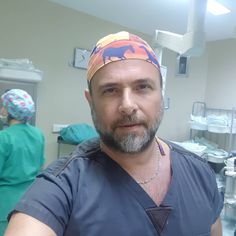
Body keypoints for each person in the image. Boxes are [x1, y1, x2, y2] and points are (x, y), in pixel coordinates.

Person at [4, 32, 223, 236]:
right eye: (110, 90)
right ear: (91, 101)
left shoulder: (201, 174)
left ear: (161, 94)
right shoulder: (63, 187)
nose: (128, 106)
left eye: (143, 87)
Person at [0, 89, 45, 235]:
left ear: (8, 110)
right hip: (31, 199)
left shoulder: (4, 137)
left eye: (3, 106)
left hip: (5, 202)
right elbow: (40, 166)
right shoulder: (38, 134)